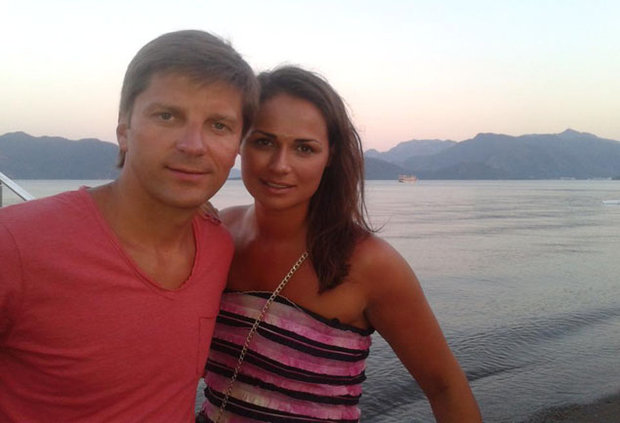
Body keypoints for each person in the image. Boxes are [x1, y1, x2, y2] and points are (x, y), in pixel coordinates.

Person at [0, 30, 258, 422]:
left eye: (219, 125)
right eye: (167, 116)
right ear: (124, 130)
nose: (193, 145)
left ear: (237, 146)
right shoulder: (16, 244)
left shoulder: (218, 246)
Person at [198, 66, 482, 422]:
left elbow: (445, 387)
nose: (280, 165)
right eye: (264, 142)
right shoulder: (218, 233)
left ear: (330, 155)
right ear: (240, 143)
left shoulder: (369, 264)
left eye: (304, 148)